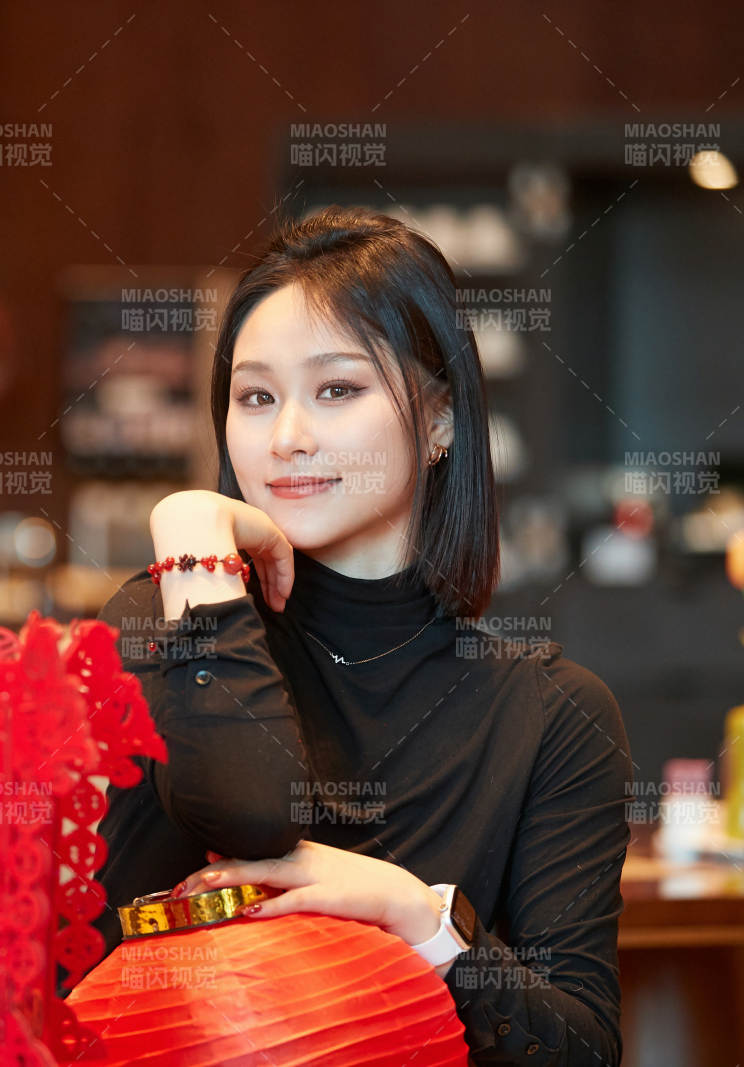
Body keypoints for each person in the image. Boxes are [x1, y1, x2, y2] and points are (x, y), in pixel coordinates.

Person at [90, 205, 633, 1064]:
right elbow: (254, 810)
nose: (288, 437)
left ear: (442, 420)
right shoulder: (167, 618)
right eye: (255, 396)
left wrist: (413, 911)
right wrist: (190, 526)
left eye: (337, 389)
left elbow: (580, 1050)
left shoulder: (554, 717)